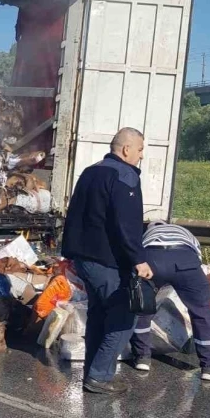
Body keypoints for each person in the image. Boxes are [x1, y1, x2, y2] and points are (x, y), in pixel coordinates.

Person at [62, 127, 153, 394]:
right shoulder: (124, 175)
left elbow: (74, 215)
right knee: (125, 317)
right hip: (107, 260)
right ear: (126, 149)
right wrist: (138, 259)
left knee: (99, 315)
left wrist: (70, 253)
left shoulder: (91, 171)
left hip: (85, 258)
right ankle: (99, 376)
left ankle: (93, 371)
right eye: (140, 149)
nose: (141, 156)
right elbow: (126, 224)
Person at [130, 223, 210, 382]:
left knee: (143, 308)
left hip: (152, 258)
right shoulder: (185, 233)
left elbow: (137, 256)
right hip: (185, 259)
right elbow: (197, 259)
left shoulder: (147, 233)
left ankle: (142, 358)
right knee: (202, 313)